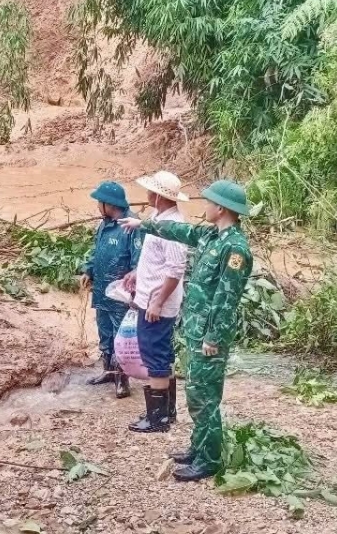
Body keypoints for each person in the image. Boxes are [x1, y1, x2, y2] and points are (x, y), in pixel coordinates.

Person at [119, 179, 254, 481]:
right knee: (196, 393)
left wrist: (213, 338)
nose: (203, 207)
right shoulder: (211, 235)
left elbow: (226, 298)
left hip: (209, 336)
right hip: (195, 329)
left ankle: (209, 460)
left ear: (220, 208)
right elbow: (180, 231)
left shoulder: (235, 249)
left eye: (208, 203)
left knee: (206, 398)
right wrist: (142, 224)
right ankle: (198, 446)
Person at [124, 171, 190, 434]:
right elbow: (154, 259)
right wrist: (137, 273)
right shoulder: (157, 220)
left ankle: (157, 418)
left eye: (151, 190)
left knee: (155, 356)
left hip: (157, 303)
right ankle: (166, 412)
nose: (147, 194)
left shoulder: (173, 228)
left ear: (159, 196)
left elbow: (175, 270)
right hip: (150, 296)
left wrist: (158, 302)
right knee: (160, 353)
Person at [80, 181, 142, 399]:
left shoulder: (130, 225)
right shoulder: (104, 225)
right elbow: (97, 251)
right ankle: (108, 371)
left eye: (99, 202)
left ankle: (122, 379)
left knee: (120, 337)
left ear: (109, 204)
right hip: (102, 291)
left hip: (119, 294)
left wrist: (134, 279)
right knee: (104, 331)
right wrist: (88, 270)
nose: (97, 206)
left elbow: (139, 261)